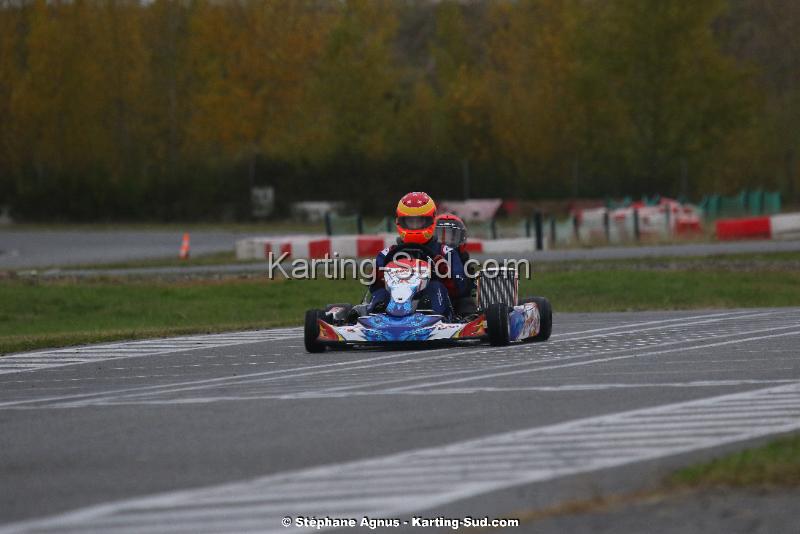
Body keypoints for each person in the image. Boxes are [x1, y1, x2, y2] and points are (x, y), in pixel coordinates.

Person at [368, 192, 468, 319]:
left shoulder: (445, 252)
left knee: (434, 287)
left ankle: (434, 318)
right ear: (400, 221)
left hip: (430, 305)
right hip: (394, 304)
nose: (415, 226)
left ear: (430, 221)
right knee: (381, 293)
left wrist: (445, 275)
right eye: (410, 221)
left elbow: (462, 288)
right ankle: (375, 320)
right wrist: (377, 279)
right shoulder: (387, 254)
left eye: (419, 221)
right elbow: (372, 289)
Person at [434, 213, 478, 316]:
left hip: (456, 301)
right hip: (431, 297)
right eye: (441, 237)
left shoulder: (463, 260)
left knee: (467, 304)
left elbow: (467, 288)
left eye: (451, 238)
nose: (445, 242)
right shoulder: (427, 255)